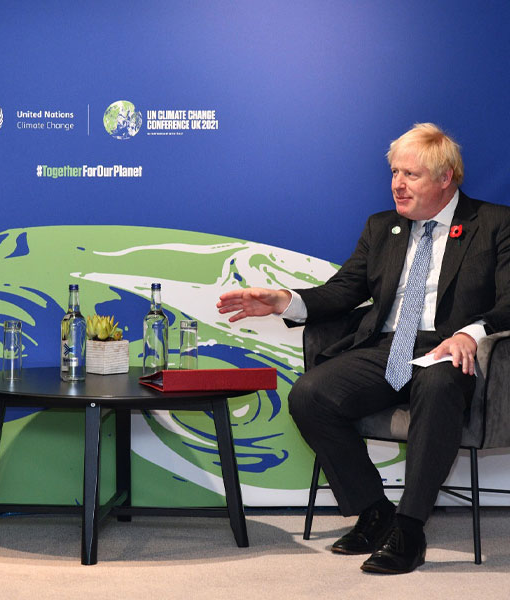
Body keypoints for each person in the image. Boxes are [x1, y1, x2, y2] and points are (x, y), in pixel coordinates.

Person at [217, 123, 510, 574]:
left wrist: (473, 331)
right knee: (310, 396)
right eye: (394, 173)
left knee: (436, 385)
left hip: (450, 350)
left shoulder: (493, 224)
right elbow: (344, 290)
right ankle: (376, 510)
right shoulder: (383, 226)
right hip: (390, 348)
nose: (397, 184)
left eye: (410, 174)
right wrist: (285, 301)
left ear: (446, 177)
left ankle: (409, 531)